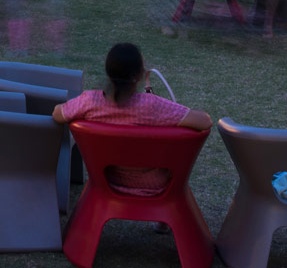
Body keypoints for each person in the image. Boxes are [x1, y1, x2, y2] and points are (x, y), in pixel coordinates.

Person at [51, 43, 212, 196]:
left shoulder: (89, 101)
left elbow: (58, 114)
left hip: (106, 181)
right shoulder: (153, 106)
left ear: (109, 72)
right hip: (156, 184)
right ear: (139, 75)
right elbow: (204, 122)